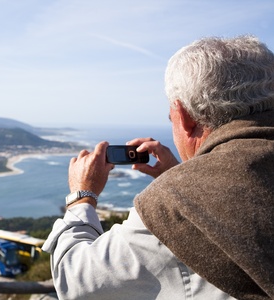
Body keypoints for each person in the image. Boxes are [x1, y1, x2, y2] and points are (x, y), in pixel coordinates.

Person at [42, 35, 274, 299]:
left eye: (170, 118)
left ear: (183, 116)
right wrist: (180, 172)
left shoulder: (175, 206)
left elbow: (77, 281)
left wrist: (81, 197)